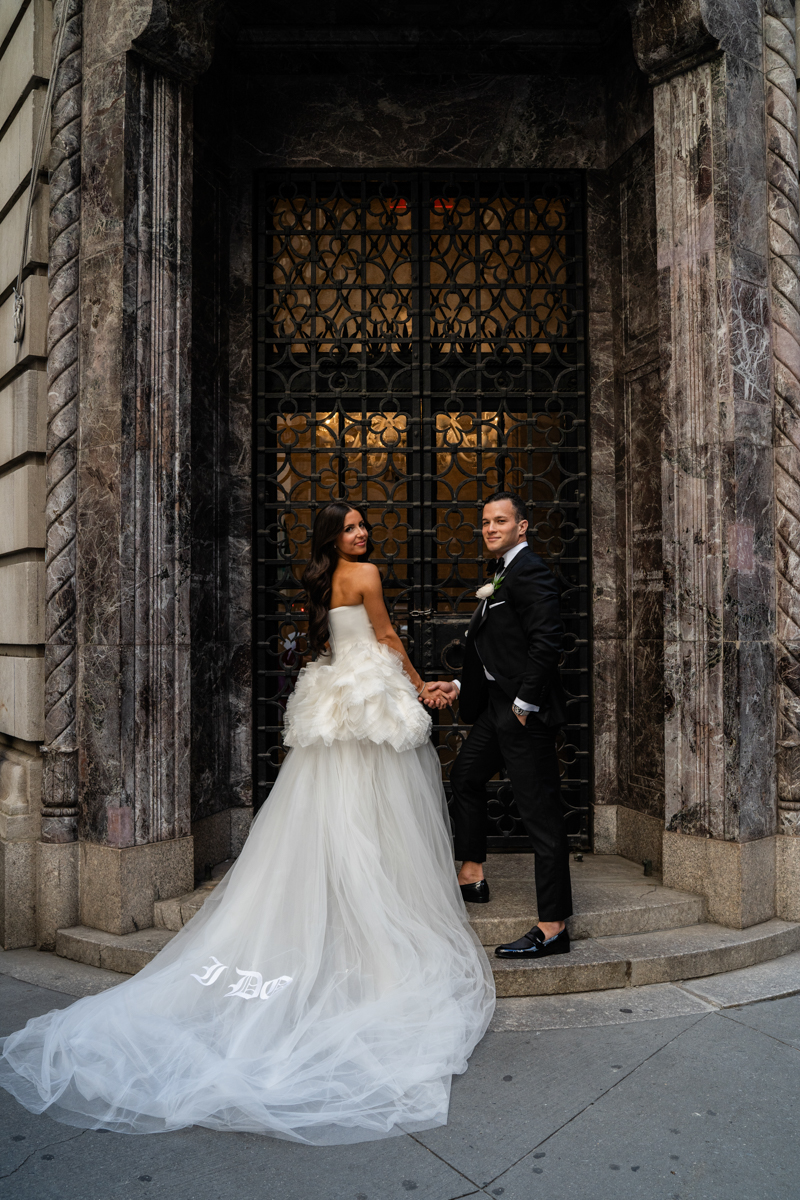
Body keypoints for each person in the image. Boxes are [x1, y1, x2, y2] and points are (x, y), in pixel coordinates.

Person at [0, 501, 494, 1145]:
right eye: (349, 527)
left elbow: (334, 640)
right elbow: (387, 637)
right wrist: (420, 681)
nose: (361, 532)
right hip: (366, 694)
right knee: (375, 813)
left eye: (362, 524)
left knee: (328, 811)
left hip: (334, 698)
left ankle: (341, 907)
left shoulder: (321, 583)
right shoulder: (366, 575)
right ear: (333, 538)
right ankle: (373, 925)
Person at [426, 492, 573, 960]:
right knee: (465, 776)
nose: (490, 528)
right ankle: (472, 875)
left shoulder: (531, 572)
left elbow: (547, 642)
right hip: (495, 707)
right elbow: (499, 651)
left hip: (520, 713)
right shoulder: (501, 572)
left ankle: (552, 927)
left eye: (501, 521)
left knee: (541, 820)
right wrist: (455, 682)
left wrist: (525, 704)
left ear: (522, 526)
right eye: (486, 521)